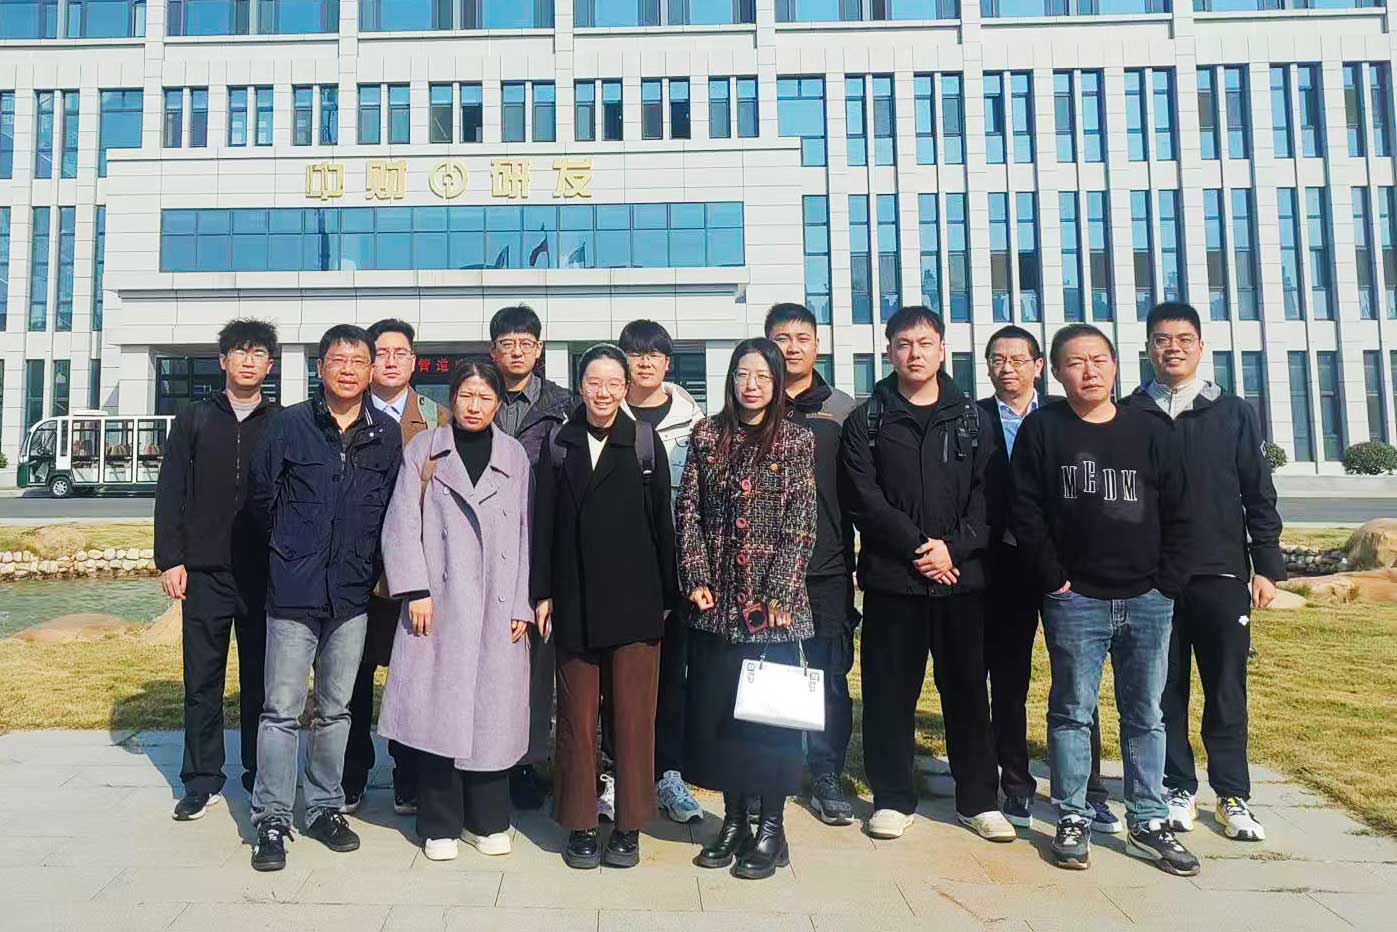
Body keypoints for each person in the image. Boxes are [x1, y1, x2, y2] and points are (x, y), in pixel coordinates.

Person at [1010, 323, 1199, 876]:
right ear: (1056, 371)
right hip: (1076, 601)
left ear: (1116, 365)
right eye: (1075, 362)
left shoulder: (1150, 428)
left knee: (1146, 714)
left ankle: (1148, 820)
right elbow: (1026, 510)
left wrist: (1167, 581)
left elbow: (1182, 509)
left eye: (1098, 360)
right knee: (1072, 711)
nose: (1088, 371)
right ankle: (1073, 816)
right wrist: (1053, 579)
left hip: (1148, 598)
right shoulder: (1043, 429)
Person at [839, 306, 1013, 844]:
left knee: (967, 692)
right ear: (888, 351)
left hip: (961, 580)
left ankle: (978, 800)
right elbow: (862, 498)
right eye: (903, 344)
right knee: (889, 693)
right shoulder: (867, 419)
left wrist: (951, 549)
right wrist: (919, 548)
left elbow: (991, 497)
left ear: (942, 349)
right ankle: (892, 797)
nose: (914, 353)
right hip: (894, 580)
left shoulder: (974, 419)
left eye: (924, 343)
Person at [1122, 303, 1284, 843]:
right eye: (1161, 339)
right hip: (1151, 577)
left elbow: (1258, 491)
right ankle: (1177, 787)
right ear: (1148, 347)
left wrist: (1267, 566)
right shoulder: (1130, 413)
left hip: (1220, 573)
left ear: (1199, 346)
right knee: (1162, 688)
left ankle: (1233, 793)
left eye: (1183, 339)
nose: (1172, 348)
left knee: (1226, 688)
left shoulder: (1232, 412)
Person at [245, 324, 403, 872]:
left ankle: (324, 807)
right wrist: (288, 552)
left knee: (337, 710)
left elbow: (390, 511)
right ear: (321, 367)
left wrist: (367, 565)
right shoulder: (289, 425)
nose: (349, 370)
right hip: (293, 591)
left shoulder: (385, 433)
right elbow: (260, 500)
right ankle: (271, 817)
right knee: (281, 710)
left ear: (370, 370)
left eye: (359, 361)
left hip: (352, 594)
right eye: (338, 360)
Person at [377, 361, 534, 861]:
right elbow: (402, 523)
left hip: (498, 603)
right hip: (439, 604)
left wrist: (523, 604)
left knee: (492, 715)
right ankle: (439, 823)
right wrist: (415, 591)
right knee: (437, 714)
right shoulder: (425, 450)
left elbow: (528, 532)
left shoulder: (513, 455)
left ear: (497, 403)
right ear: (452, 398)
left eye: (485, 397)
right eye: (466, 395)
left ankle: (487, 820)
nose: (475, 406)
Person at [532, 344, 677, 870]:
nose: (603, 392)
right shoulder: (559, 442)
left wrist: (667, 598)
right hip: (574, 600)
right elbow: (543, 522)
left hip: (636, 603)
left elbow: (663, 525)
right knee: (576, 717)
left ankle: (630, 824)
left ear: (626, 388)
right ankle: (579, 822)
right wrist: (542, 592)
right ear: (580, 386)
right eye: (594, 382)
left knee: (634, 720)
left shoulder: (644, 442)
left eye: (614, 384)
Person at [677, 338, 817, 881]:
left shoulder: (796, 439)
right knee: (723, 718)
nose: (751, 384)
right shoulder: (706, 435)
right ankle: (734, 821)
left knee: (770, 720)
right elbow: (689, 511)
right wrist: (696, 576)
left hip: (771, 610)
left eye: (762, 375)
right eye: (742, 374)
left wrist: (780, 589)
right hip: (717, 605)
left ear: (777, 382)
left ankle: (771, 828)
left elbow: (802, 519)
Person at [977, 325, 1118, 834]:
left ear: (1040, 366)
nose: (1008, 368)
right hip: (1004, 564)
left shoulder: (1066, 414)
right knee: (1008, 679)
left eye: (1019, 359)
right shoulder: (974, 419)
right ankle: (1016, 782)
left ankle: (1089, 790)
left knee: (1078, 681)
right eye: (998, 359)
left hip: (1067, 566)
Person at [156, 318, 281, 821]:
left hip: (263, 572)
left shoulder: (281, 421)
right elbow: (171, 490)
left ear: (270, 365)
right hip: (204, 571)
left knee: (261, 681)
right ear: (223, 360)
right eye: (240, 352)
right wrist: (171, 558)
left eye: (258, 353)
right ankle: (201, 779)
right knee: (202, 680)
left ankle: (258, 773)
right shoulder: (194, 417)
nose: (249, 361)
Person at [342, 318, 448, 817]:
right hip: (357, 569)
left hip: (417, 571)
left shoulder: (438, 418)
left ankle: (409, 777)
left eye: (399, 353)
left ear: (413, 361)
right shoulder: (345, 412)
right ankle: (352, 774)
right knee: (354, 674)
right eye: (380, 353)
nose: (389, 361)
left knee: (412, 675)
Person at [764, 303, 859, 827]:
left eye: (802, 337)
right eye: (782, 338)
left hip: (827, 565)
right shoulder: (756, 401)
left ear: (817, 346)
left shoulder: (841, 409)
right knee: (770, 670)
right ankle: (774, 770)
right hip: (765, 566)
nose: (792, 347)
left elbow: (860, 489)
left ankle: (826, 772)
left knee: (829, 673)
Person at [618, 319, 706, 825]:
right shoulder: (605, 413)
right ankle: (616, 771)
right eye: (636, 353)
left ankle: (668, 773)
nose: (645, 362)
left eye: (654, 354)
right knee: (618, 673)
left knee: (673, 672)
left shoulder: (695, 423)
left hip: (677, 565)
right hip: (618, 566)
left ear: (668, 363)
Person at [489, 304, 574, 811]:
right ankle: (487, 757)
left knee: (539, 659)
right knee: (492, 655)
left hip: (544, 545)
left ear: (539, 348)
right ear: (493, 351)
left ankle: (528, 760)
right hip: (488, 549)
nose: (516, 352)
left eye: (526, 343)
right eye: (507, 344)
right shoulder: (477, 396)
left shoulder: (563, 406)